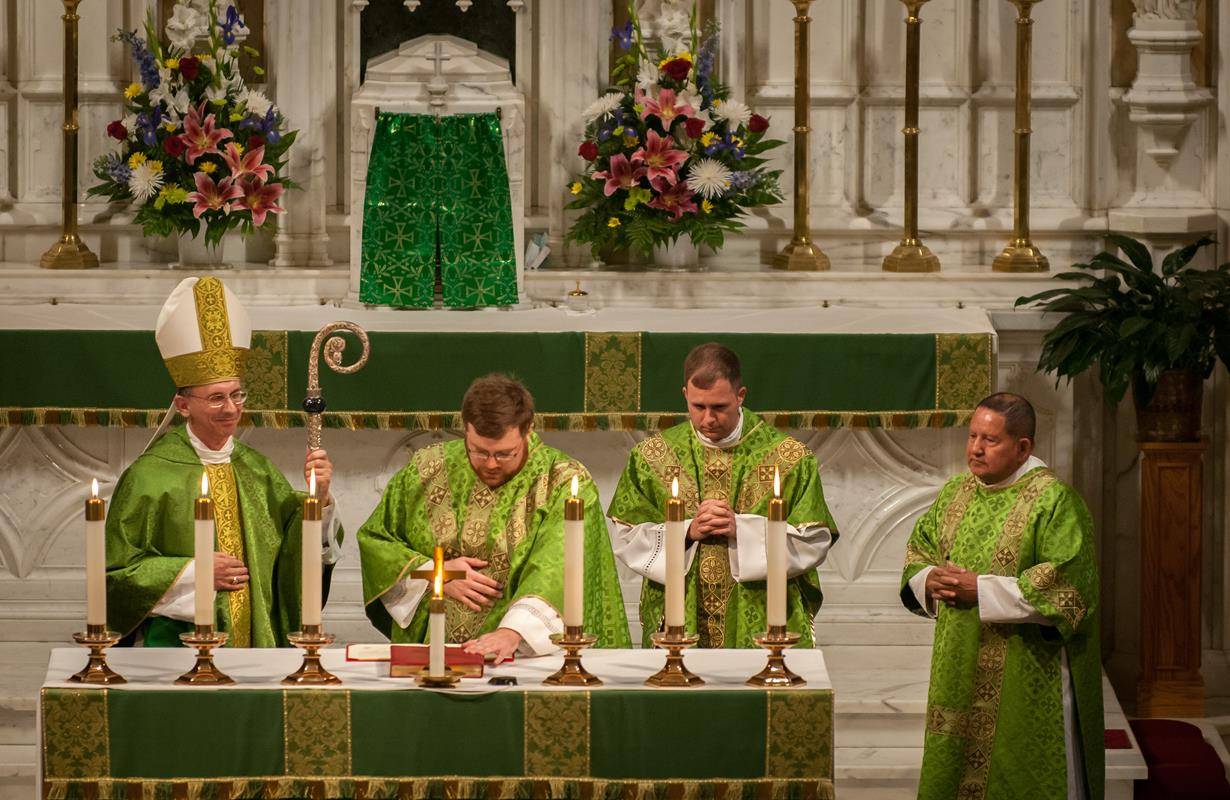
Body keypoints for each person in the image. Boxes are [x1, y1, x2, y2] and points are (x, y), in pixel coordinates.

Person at [106, 276, 342, 647]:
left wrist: (320, 501)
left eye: (237, 395)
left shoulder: (258, 471)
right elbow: (116, 579)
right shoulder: (148, 477)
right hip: (176, 648)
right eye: (216, 398)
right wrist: (193, 572)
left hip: (257, 645)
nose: (231, 409)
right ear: (183, 405)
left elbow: (294, 560)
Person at [901, 392, 1103, 800]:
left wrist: (982, 589)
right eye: (972, 436)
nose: (975, 449)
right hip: (957, 666)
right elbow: (919, 549)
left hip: (1028, 673)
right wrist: (928, 579)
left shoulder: (1054, 500)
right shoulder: (956, 492)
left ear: (1023, 446)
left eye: (989, 440)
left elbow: (1069, 589)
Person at [358, 374, 630, 662]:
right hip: (435, 654)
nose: (490, 464)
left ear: (528, 431)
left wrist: (513, 633)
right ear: (466, 429)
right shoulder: (427, 467)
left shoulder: (562, 481)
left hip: (525, 656)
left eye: (504, 454)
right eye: (478, 450)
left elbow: (557, 565)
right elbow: (377, 540)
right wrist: (433, 574)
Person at [607, 343, 837, 647]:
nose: (708, 419)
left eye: (719, 407)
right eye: (698, 406)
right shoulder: (652, 458)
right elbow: (626, 536)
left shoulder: (790, 459)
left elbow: (814, 538)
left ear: (740, 396)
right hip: (682, 615)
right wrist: (686, 531)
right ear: (685, 394)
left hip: (760, 616)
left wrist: (741, 529)